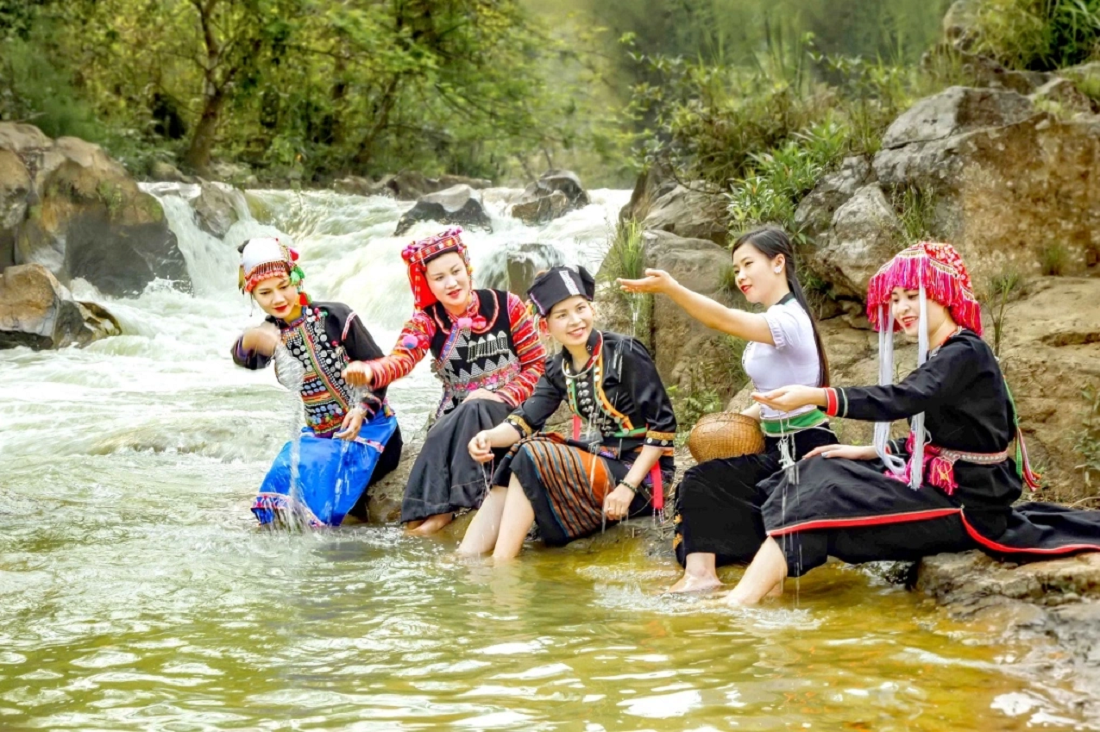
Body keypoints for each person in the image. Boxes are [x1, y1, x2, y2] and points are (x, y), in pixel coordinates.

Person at [726, 241, 1100, 605]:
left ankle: (741, 601)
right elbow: (945, 437)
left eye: (912, 296)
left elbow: (903, 397)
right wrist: (871, 450)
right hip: (939, 479)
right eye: (895, 299)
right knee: (816, 470)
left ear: (942, 293)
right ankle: (764, 591)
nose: (901, 308)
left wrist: (817, 396)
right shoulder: (945, 353)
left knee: (823, 493)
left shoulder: (965, 352)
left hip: (967, 501)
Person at [618, 227, 838, 593]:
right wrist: (737, 419)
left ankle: (700, 576)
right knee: (709, 485)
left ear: (778, 262)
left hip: (803, 451)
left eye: (748, 264)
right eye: (736, 269)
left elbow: (720, 319)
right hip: (776, 447)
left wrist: (672, 288)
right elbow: (772, 393)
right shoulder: (778, 317)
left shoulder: (788, 319)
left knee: (700, 482)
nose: (741, 276)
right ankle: (710, 571)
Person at [457, 265, 677, 560]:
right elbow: (524, 420)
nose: (575, 321)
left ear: (592, 310)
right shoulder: (556, 369)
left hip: (643, 479)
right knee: (519, 451)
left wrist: (627, 487)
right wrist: (487, 437)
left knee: (532, 452)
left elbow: (664, 427)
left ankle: (502, 564)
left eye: (580, 309)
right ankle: (465, 557)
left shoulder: (625, 352)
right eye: (562, 315)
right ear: (546, 327)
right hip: (602, 463)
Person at [343, 227, 545, 535]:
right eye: (439, 278)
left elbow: (536, 364)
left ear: (468, 268)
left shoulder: (508, 305)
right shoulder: (425, 321)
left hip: (512, 412)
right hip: (456, 416)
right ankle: (418, 515)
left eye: (455, 272)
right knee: (442, 427)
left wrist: (502, 395)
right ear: (426, 285)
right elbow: (402, 358)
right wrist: (373, 372)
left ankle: (450, 511)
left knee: (476, 405)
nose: (451, 283)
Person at [232, 237, 403, 527]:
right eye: (265, 293)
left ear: (297, 279)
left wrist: (361, 409)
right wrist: (248, 340)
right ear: (253, 296)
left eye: (284, 286)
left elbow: (380, 367)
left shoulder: (336, 317)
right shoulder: (270, 333)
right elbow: (247, 359)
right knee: (280, 477)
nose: (277, 299)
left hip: (371, 430)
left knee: (315, 475)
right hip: (317, 437)